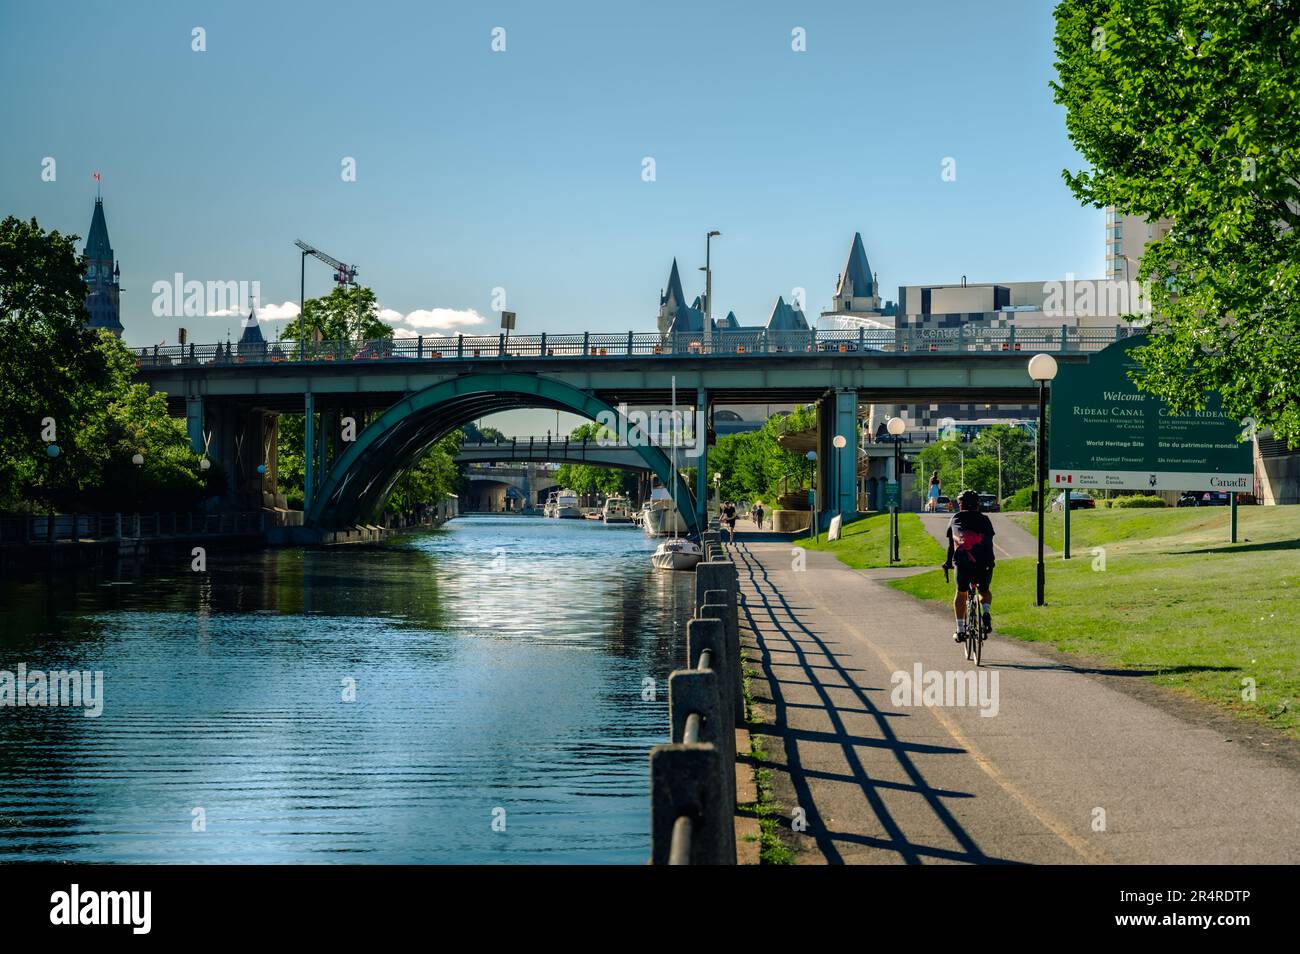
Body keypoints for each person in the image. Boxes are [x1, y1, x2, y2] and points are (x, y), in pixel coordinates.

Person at [942, 489, 995, 642]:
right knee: (984, 590)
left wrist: (947, 563)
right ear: (978, 505)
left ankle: (960, 630)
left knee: (961, 592)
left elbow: (952, 546)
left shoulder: (955, 518)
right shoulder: (985, 520)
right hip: (985, 562)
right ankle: (985, 613)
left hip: (964, 562)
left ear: (961, 505)